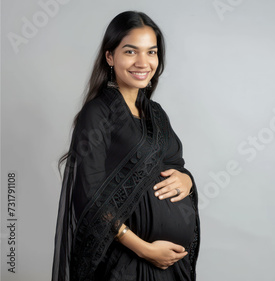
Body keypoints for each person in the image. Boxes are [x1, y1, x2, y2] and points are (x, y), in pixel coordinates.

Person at [51, 11, 200, 281]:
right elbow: (89, 196)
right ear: (110, 57)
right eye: (131, 52)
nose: (143, 62)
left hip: (171, 265)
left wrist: (187, 180)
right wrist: (144, 249)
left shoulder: (156, 113)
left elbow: (174, 166)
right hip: (125, 264)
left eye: (151, 52)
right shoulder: (98, 113)